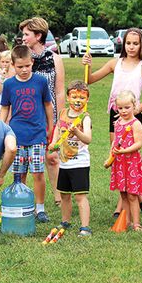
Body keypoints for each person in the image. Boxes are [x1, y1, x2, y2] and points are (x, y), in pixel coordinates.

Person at [82, 27, 142, 216]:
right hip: (115, 115)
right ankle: (138, 199)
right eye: (128, 43)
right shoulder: (115, 63)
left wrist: (134, 111)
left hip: (133, 116)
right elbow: (89, 80)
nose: (131, 47)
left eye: (135, 43)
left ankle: (123, 206)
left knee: (130, 157)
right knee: (116, 156)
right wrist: (87, 64)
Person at [0, 45, 54, 223]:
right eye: (19, 67)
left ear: (32, 62)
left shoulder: (40, 82)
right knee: (19, 174)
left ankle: (40, 208)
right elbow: (5, 108)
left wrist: (50, 127)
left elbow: (48, 105)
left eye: (27, 66)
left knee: (38, 173)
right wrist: (1, 128)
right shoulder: (8, 84)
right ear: (13, 65)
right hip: (16, 136)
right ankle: (24, 205)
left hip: (37, 134)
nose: (24, 70)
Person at [20, 17, 65, 206]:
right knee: (24, 158)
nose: (23, 38)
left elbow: (60, 90)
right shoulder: (22, 58)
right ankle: (22, 193)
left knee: (52, 157)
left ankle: (59, 195)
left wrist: (61, 119)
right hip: (27, 117)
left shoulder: (54, 59)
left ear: (38, 36)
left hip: (50, 115)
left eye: (26, 34)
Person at [48, 80, 92, 236]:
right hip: (64, 163)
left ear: (87, 100)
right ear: (68, 97)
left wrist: (77, 133)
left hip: (79, 163)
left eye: (82, 97)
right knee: (64, 195)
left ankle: (85, 227)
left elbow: (88, 139)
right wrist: (53, 143)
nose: (77, 100)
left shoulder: (85, 118)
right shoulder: (63, 114)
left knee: (80, 196)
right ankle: (65, 221)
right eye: (74, 96)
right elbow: (58, 129)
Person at [108, 90, 142, 231]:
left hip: (131, 162)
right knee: (123, 194)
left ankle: (136, 223)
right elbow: (115, 141)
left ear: (134, 105)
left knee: (132, 195)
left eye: (127, 107)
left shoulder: (135, 123)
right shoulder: (117, 123)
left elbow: (139, 143)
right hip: (119, 163)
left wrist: (124, 150)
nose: (123, 111)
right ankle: (126, 220)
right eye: (120, 108)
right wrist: (112, 153)